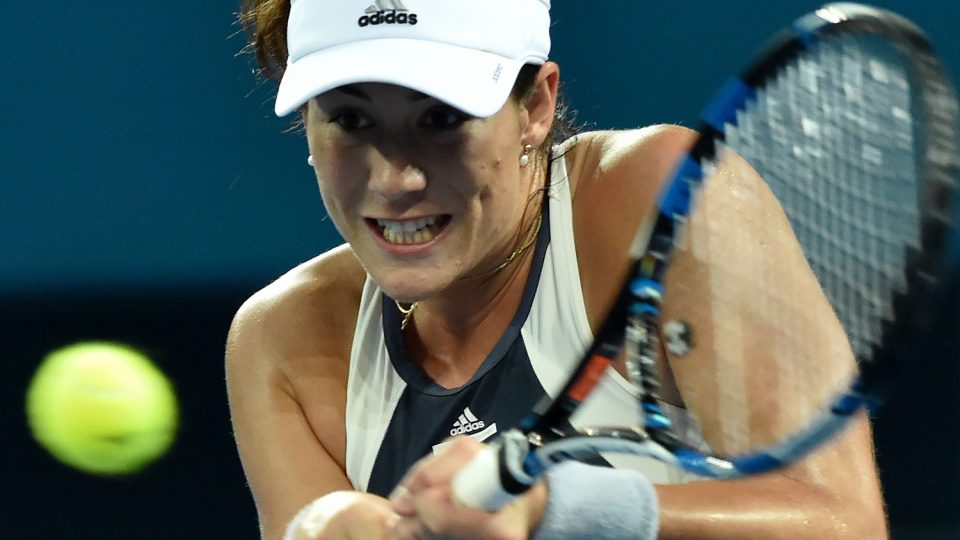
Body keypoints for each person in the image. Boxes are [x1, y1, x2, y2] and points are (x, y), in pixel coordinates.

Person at [226, 1, 888, 539]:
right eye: (350, 118)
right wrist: (322, 529)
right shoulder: (280, 341)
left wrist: (557, 509)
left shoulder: (665, 201)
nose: (394, 177)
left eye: (440, 118)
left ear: (536, 107)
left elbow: (843, 522)